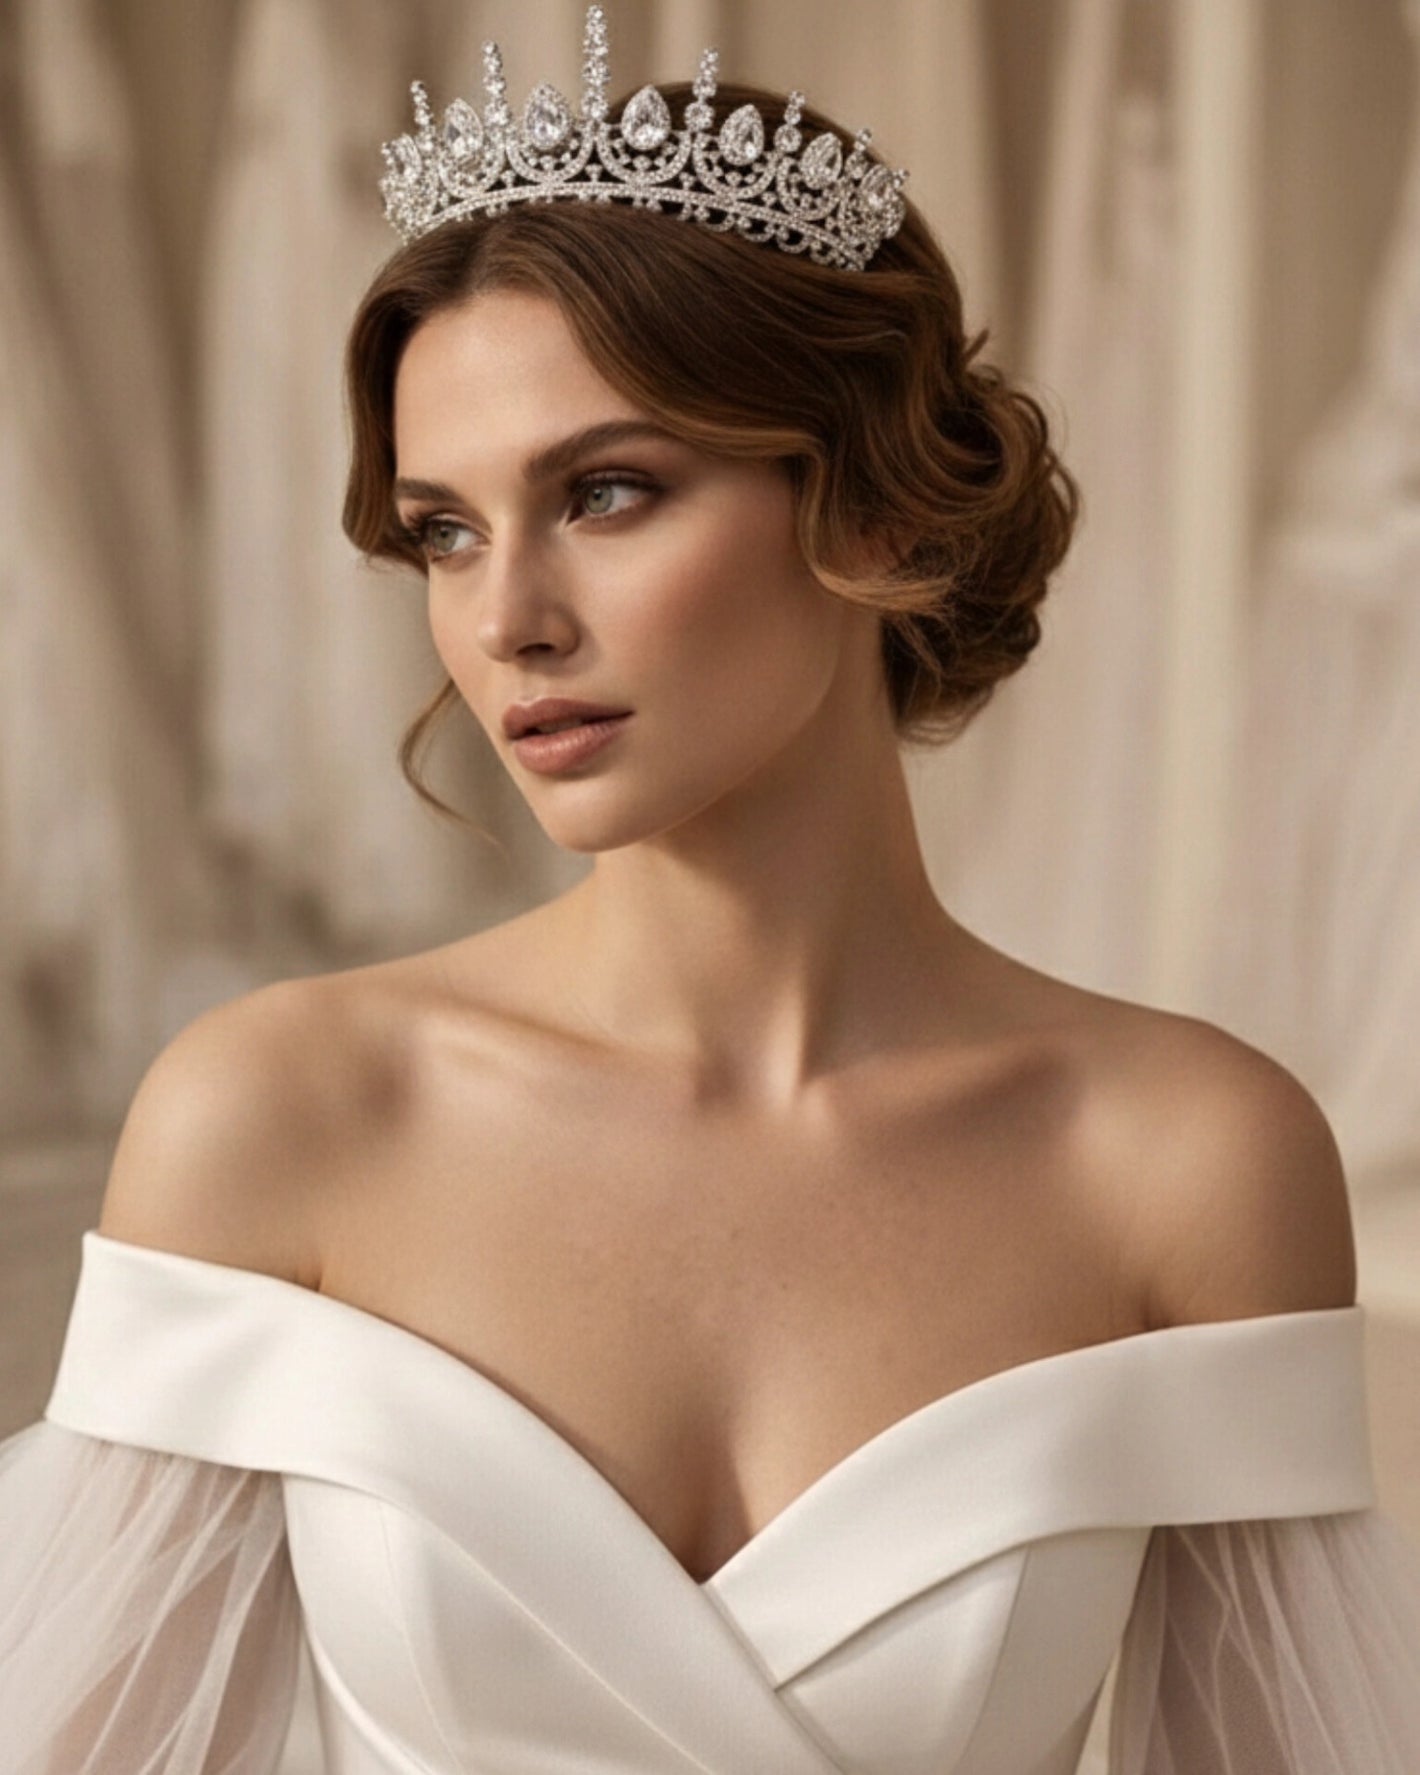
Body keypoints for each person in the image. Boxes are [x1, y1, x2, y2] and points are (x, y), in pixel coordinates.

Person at [3, 7, 1419, 1771]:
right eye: (444, 527)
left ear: (886, 516)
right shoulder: (282, 1119)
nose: (504, 614)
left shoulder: (1188, 1158)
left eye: (605, 491)